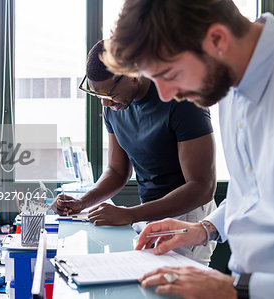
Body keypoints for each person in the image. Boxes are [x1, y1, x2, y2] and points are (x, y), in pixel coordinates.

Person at [103, 0, 274, 298]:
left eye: (170, 74)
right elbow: (257, 194)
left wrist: (237, 290)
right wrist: (204, 228)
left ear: (217, 40)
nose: (164, 95)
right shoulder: (229, 81)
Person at [54, 40, 218, 265]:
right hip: (146, 214)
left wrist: (131, 214)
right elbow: (116, 171)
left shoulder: (182, 100)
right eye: (96, 94)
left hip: (187, 217)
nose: (104, 102)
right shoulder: (115, 106)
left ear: (133, 74)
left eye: (108, 92)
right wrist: (82, 202)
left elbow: (202, 187)